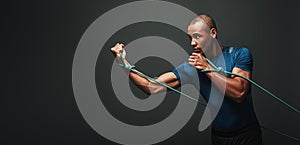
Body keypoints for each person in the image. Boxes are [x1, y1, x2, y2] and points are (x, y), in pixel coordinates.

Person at [111, 14, 262, 145]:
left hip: (246, 136)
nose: (192, 43)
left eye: (197, 36)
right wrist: (123, 64)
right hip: (218, 137)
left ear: (213, 33)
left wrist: (206, 68)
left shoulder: (239, 54)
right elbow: (152, 86)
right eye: (190, 38)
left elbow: (239, 92)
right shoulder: (191, 67)